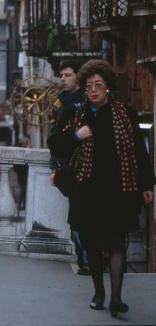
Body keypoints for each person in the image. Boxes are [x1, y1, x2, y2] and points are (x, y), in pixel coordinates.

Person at [48, 59, 155, 317]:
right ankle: (99, 293)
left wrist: (147, 183)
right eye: (89, 86)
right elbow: (55, 144)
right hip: (87, 190)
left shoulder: (124, 113)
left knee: (117, 243)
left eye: (98, 85)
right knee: (93, 244)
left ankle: (116, 299)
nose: (93, 90)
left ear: (107, 87)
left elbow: (140, 152)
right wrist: (76, 136)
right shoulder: (77, 114)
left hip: (118, 189)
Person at [48, 60, 90, 276]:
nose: (62, 79)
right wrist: (54, 166)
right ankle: (84, 258)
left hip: (87, 164)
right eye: (61, 75)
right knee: (76, 214)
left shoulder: (85, 100)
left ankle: (90, 257)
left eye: (67, 75)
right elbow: (53, 136)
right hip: (68, 165)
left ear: (77, 77)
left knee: (86, 213)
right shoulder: (60, 101)